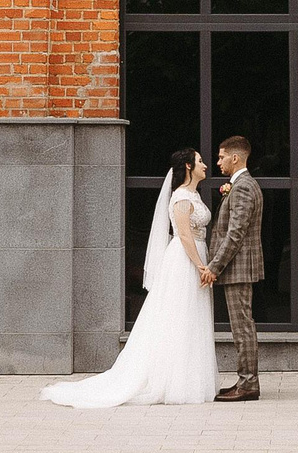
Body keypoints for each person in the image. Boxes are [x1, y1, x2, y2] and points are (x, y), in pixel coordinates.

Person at [40, 148, 218, 408]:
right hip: (184, 260)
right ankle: (172, 382)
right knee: (179, 316)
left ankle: (189, 378)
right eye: (200, 161)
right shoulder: (181, 197)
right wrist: (202, 266)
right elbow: (184, 235)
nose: (205, 164)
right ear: (189, 166)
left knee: (191, 317)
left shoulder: (194, 195)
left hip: (195, 255)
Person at [200, 135, 263, 402]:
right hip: (237, 268)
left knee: (242, 327)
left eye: (221, 156)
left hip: (238, 269)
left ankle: (248, 384)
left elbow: (235, 233)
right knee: (241, 326)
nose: (218, 162)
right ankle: (244, 380)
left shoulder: (244, 187)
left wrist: (214, 266)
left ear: (235, 158)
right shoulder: (239, 186)